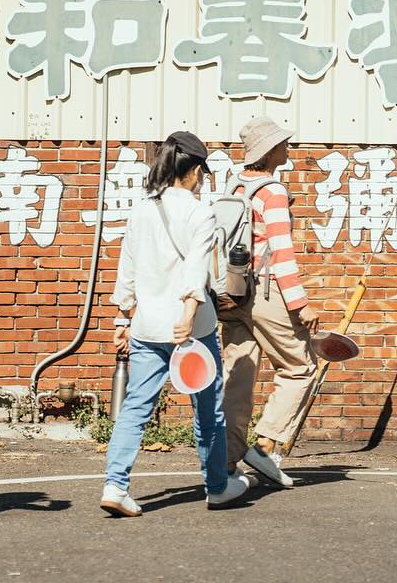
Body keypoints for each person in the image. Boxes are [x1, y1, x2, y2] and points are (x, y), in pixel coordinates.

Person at [100, 131, 250, 517]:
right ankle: (216, 486)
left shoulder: (141, 209)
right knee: (208, 411)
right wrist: (186, 317)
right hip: (193, 331)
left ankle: (115, 486)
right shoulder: (200, 212)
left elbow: (126, 269)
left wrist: (122, 317)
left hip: (147, 327)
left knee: (136, 407)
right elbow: (195, 270)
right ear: (197, 169)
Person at [219, 116, 321, 489]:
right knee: (300, 367)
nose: (287, 147)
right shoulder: (272, 191)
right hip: (266, 291)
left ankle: (227, 465)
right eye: (282, 143)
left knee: (238, 376)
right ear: (269, 151)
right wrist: (300, 304)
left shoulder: (234, 185)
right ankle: (263, 444)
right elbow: (282, 251)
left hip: (232, 291)